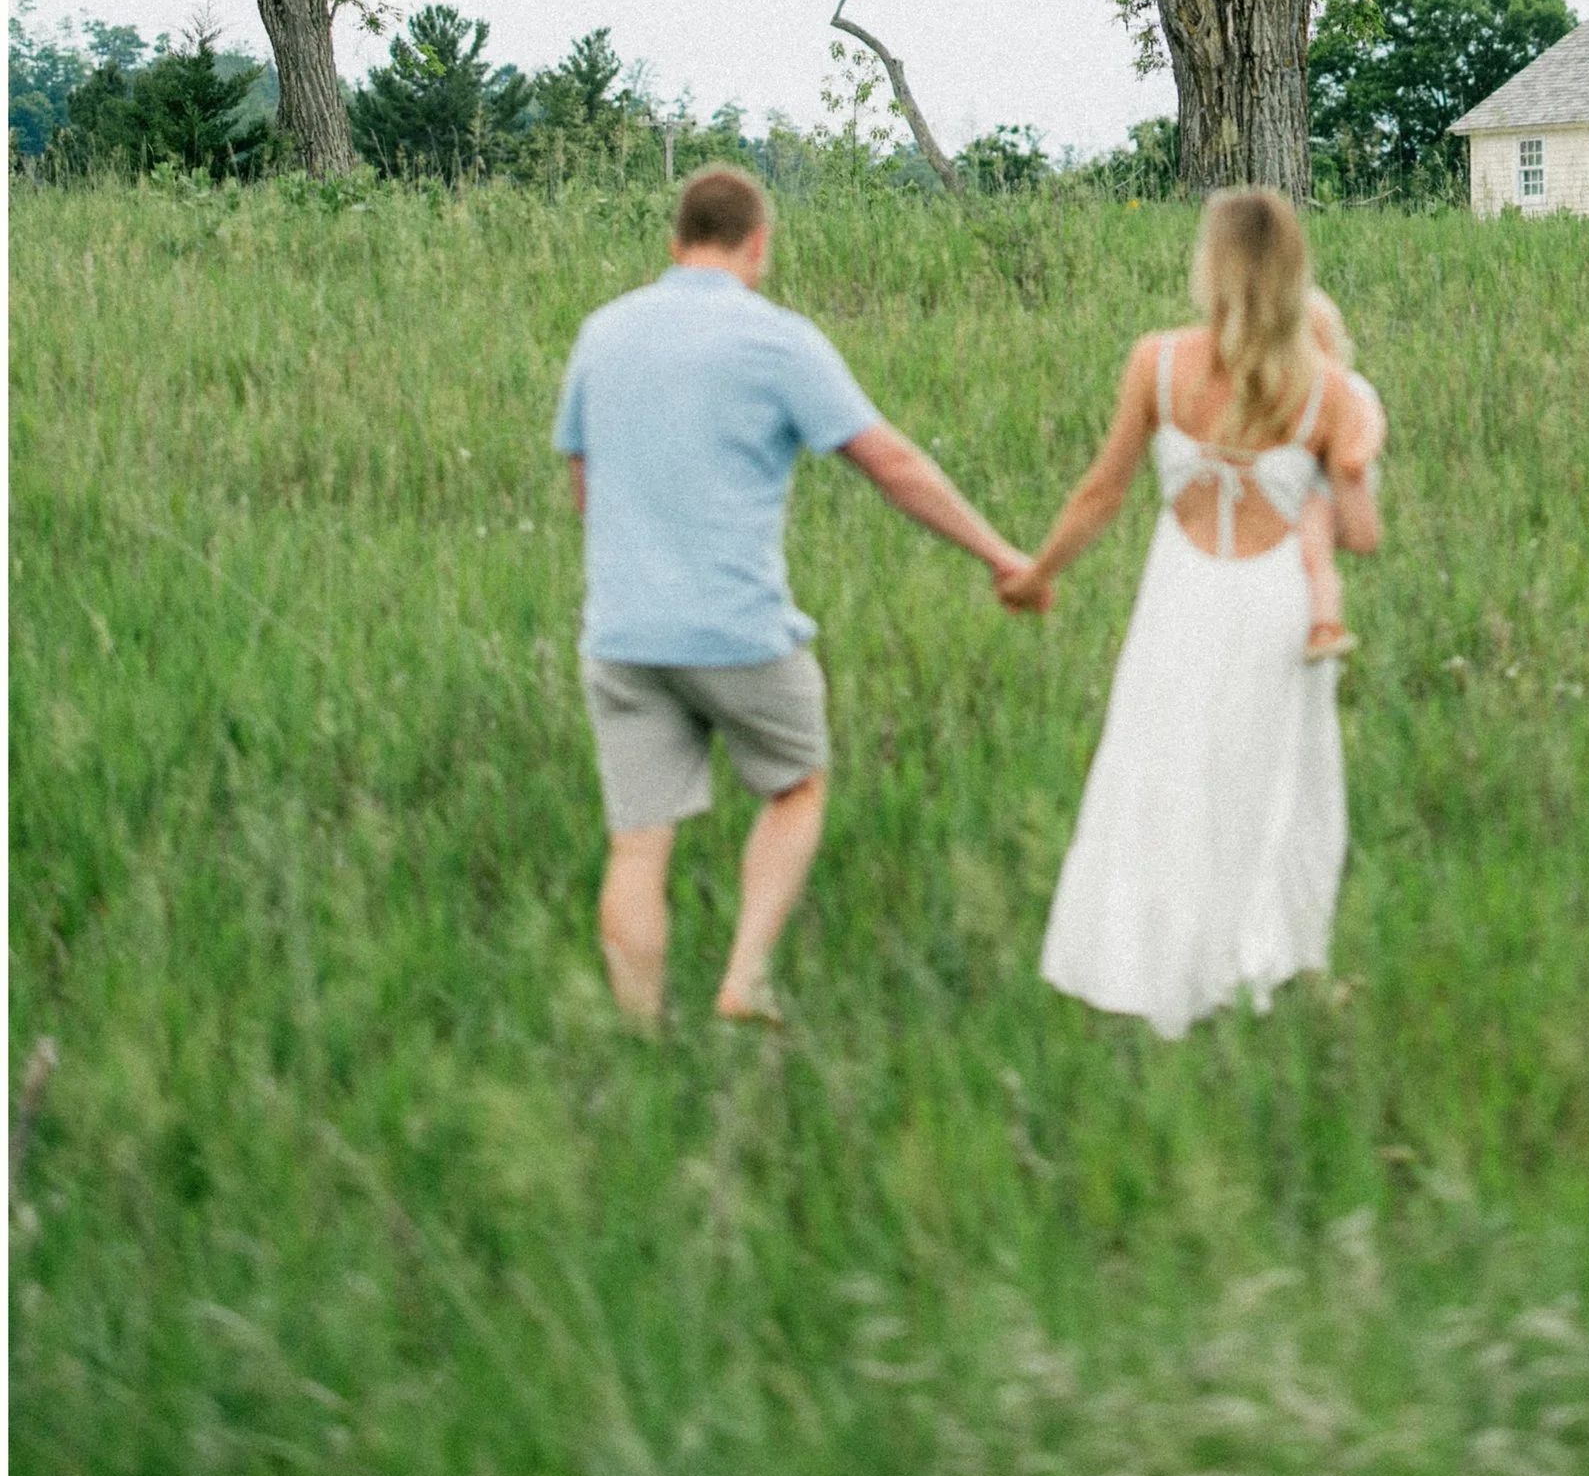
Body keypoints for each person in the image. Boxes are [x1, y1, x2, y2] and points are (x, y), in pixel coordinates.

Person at [553, 163, 1031, 1026]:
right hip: (740, 631)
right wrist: (999, 555)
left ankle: (637, 1035)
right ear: (759, 245)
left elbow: (585, 488)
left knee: (638, 845)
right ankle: (744, 980)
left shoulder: (602, 332)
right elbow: (889, 464)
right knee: (797, 787)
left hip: (621, 633)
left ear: (676, 242)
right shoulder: (777, 341)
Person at [999, 185, 1381, 1038]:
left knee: (1161, 773)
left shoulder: (1158, 363)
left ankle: (1156, 968)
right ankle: (1254, 967)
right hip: (1276, 602)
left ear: (1211, 266)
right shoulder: (1328, 393)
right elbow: (1360, 535)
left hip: (1181, 595)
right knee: (1269, 784)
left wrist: (1037, 572)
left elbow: (1101, 492)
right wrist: (1351, 472)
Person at [1295, 287, 1386, 662]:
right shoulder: (1295, 390)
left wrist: (1356, 453)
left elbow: (1372, 423)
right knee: (1307, 546)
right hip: (1308, 482)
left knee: (1313, 546)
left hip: (1333, 482)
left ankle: (1325, 623)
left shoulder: (1349, 387)